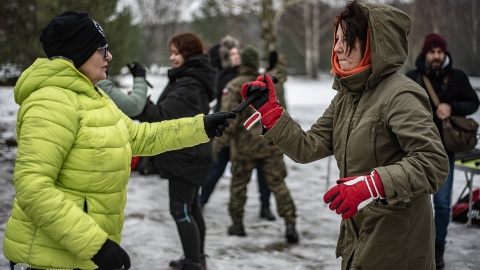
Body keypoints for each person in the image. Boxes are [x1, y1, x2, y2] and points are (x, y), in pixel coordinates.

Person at [3, 11, 235, 270]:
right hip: (54, 258)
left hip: (81, 255)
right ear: (79, 52)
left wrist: (200, 126)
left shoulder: (93, 97)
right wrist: (95, 245)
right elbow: (33, 188)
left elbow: (139, 137)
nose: (109, 57)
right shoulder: (51, 102)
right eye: (102, 49)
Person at [240, 1, 449, 269]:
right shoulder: (347, 96)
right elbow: (309, 146)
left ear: (374, 44)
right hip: (358, 237)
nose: (336, 47)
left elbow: (433, 162)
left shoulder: (401, 94)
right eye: (336, 39)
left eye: (345, 39)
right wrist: (272, 113)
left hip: (397, 245)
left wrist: (372, 185)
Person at [135, 32, 215, 270]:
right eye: (171, 52)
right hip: (193, 152)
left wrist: (142, 106)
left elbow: (161, 116)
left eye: (176, 52)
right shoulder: (189, 78)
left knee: (180, 208)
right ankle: (196, 258)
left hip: (187, 155)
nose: (172, 57)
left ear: (189, 54)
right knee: (191, 207)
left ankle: (193, 261)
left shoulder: (189, 83)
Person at [406, 33, 480, 270]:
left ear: (444, 54)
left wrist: (452, 107)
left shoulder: (457, 77)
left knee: (442, 204)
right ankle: (414, 247)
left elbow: (473, 103)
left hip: (445, 151)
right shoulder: (413, 77)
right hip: (414, 150)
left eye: (440, 52)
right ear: (425, 54)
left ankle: (437, 249)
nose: (436, 56)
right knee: (413, 202)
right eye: (432, 52)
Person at [222, 45, 299, 243]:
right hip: (270, 142)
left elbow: (230, 119)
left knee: (239, 185)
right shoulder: (268, 84)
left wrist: (221, 141)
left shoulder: (234, 86)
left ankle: (237, 223)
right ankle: (290, 222)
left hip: (244, 146)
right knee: (278, 184)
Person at [201, 36, 275, 221]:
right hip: (229, 128)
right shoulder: (223, 76)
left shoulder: (248, 75)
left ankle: (265, 207)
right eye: (232, 54)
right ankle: (200, 201)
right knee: (217, 167)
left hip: (251, 132)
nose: (236, 57)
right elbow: (222, 103)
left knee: (262, 172)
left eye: (237, 53)